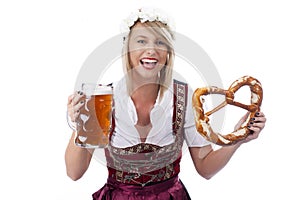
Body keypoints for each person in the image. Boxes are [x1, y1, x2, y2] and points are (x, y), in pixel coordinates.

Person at [65, 7, 267, 200]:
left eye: (160, 42)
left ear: (168, 52)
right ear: (127, 49)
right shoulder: (103, 98)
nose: (151, 50)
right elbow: (74, 173)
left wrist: (238, 139)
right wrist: (80, 125)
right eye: (141, 41)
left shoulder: (184, 97)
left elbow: (205, 168)